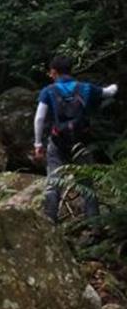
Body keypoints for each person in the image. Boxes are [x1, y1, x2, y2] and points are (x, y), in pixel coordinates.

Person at [33, 54, 118, 223]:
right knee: (87, 184)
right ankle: (94, 227)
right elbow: (109, 92)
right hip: (82, 142)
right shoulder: (86, 88)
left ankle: (50, 224)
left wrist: (37, 144)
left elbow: (39, 119)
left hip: (58, 142)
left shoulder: (48, 91)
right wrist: (116, 85)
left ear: (54, 72)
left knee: (53, 184)